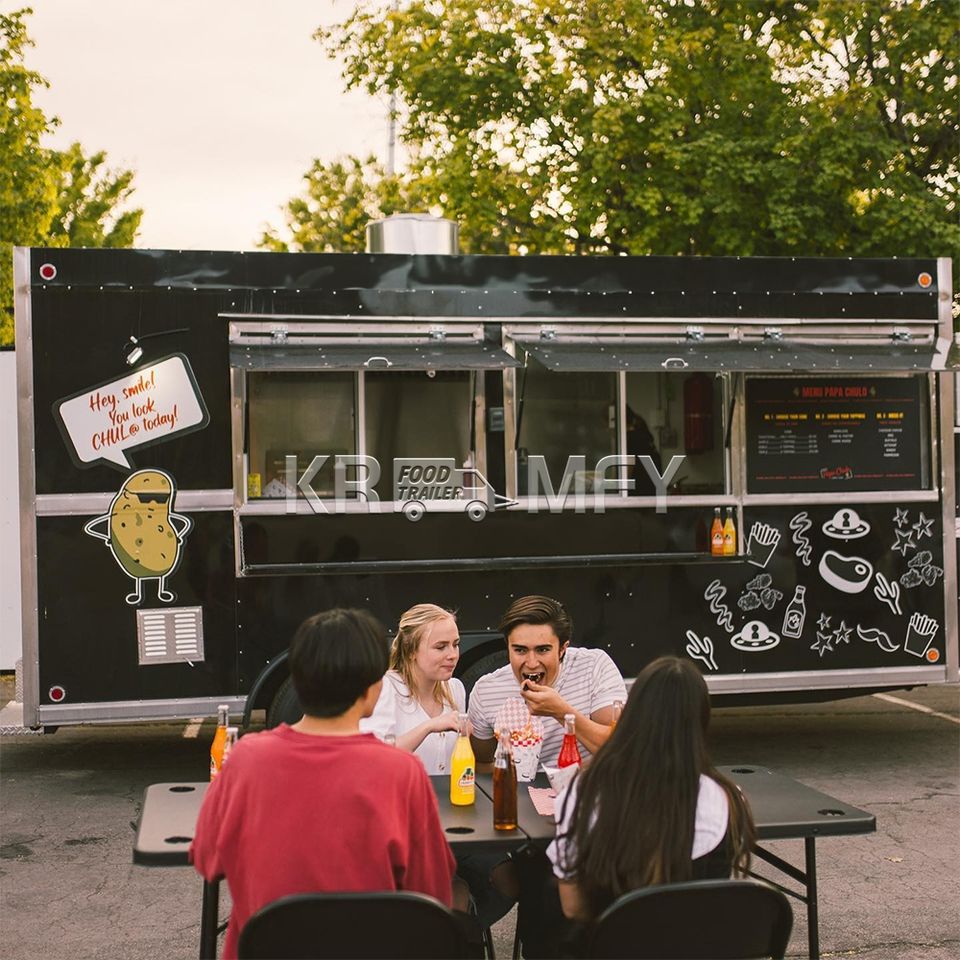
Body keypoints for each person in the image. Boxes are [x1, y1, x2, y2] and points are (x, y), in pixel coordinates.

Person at [189, 608, 456, 960]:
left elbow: (208, 859)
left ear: (297, 682)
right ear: (374, 689)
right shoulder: (402, 772)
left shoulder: (244, 760)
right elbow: (432, 893)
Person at [546, 656, 755, 948]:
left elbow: (573, 907)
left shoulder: (583, 790)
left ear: (633, 712)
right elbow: (714, 900)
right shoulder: (727, 799)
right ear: (700, 720)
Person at [468, 595, 626, 765]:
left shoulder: (594, 666)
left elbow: (621, 747)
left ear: (562, 649)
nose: (531, 663)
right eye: (520, 650)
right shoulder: (486, 690)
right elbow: (481, 764)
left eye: (542, 650)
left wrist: (561, 712)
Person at [360, 603, 465, 774]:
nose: (453, 655)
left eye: (456, 644)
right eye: (440, 647)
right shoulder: (385, 688)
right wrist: (428, 727)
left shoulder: (455, 689)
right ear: (411, 651)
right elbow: (372, 758)